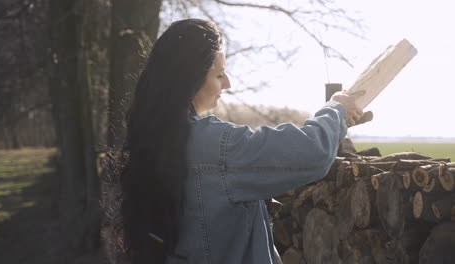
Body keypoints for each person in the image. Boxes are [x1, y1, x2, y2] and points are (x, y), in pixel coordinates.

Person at [102, 18, 365, 264]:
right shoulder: (216, 146)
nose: (227, 83)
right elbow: (311, 152)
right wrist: (337, 109)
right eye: (219, 74)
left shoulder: (149, 140)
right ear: (189, 78)